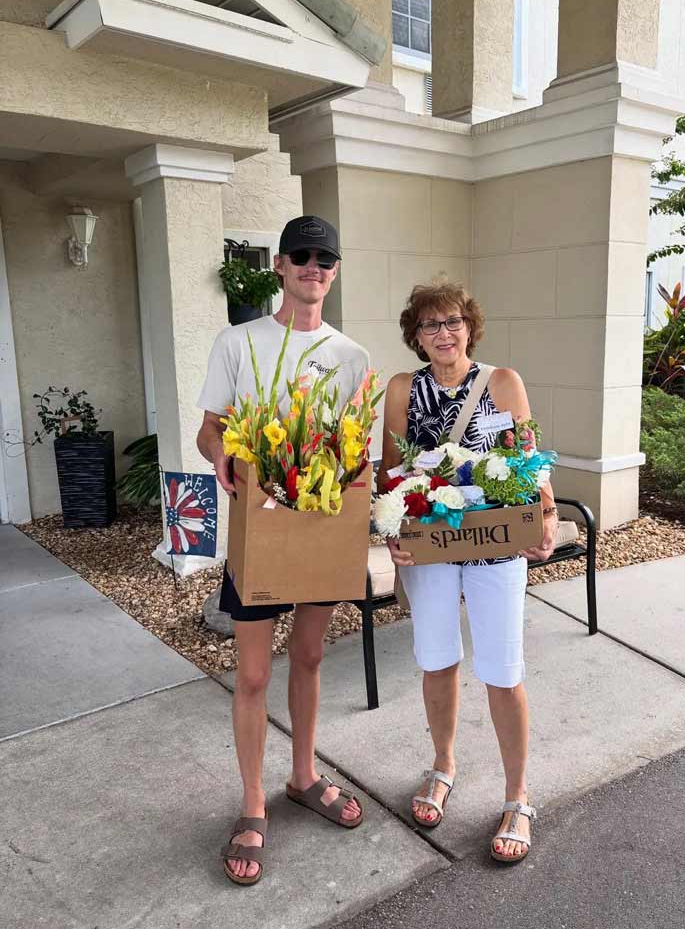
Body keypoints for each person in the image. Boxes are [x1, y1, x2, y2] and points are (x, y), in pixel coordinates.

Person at [197, 216, 369, 885]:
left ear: (333, 269)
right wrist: (224, 457)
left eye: (324, 257)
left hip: (321, 530)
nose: (313, 266)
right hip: (260, 533)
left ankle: (302, 776)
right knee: (253, 675)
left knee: (309, 654)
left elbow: (354, 448)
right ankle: (251, 802)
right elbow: (211, 427)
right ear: (278, 264)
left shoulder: (350, 356)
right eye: (301, 255)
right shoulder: (238, 342)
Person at [378, 281, 558, 864]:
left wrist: (547, 514)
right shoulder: (403, 389)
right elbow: (390, 474)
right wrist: (391, 536)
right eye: (430, 325)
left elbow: (529, 457)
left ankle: (517, 797)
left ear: (469, 325)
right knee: (437, 661)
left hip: (495, 545)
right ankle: (443, 766)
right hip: (430, 549)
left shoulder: (503, 382)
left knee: (503, 671)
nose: (443, 333)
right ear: (416, 334)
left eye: (452, 321)